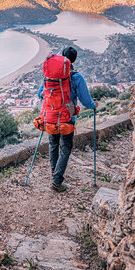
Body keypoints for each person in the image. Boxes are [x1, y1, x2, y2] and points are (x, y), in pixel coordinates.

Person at [38, 46, 98, 192]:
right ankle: (57, 182)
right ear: (74, 59)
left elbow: (40, 94)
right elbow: (85, 100)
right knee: (65, 147)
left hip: (50, 116)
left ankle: (55, 173)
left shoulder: (50, 76)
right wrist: (93, 105)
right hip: (66, 118)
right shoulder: (76, 77)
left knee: (53, 144)